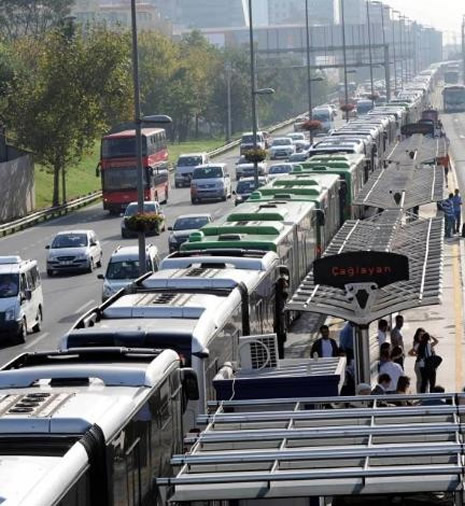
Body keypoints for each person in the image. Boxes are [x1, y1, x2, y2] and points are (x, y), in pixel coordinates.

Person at [408, 327, 426, 393]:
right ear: (417, 335)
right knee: (420, 380)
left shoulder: (427, 343)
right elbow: (410, 353)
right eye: (420, 334)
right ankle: (419, 394)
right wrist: (417, 355)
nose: (421, 336)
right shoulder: (416, 343)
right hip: (418, 364)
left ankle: (425, 394)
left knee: (425, 380)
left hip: (426, 364)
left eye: (423, 335)